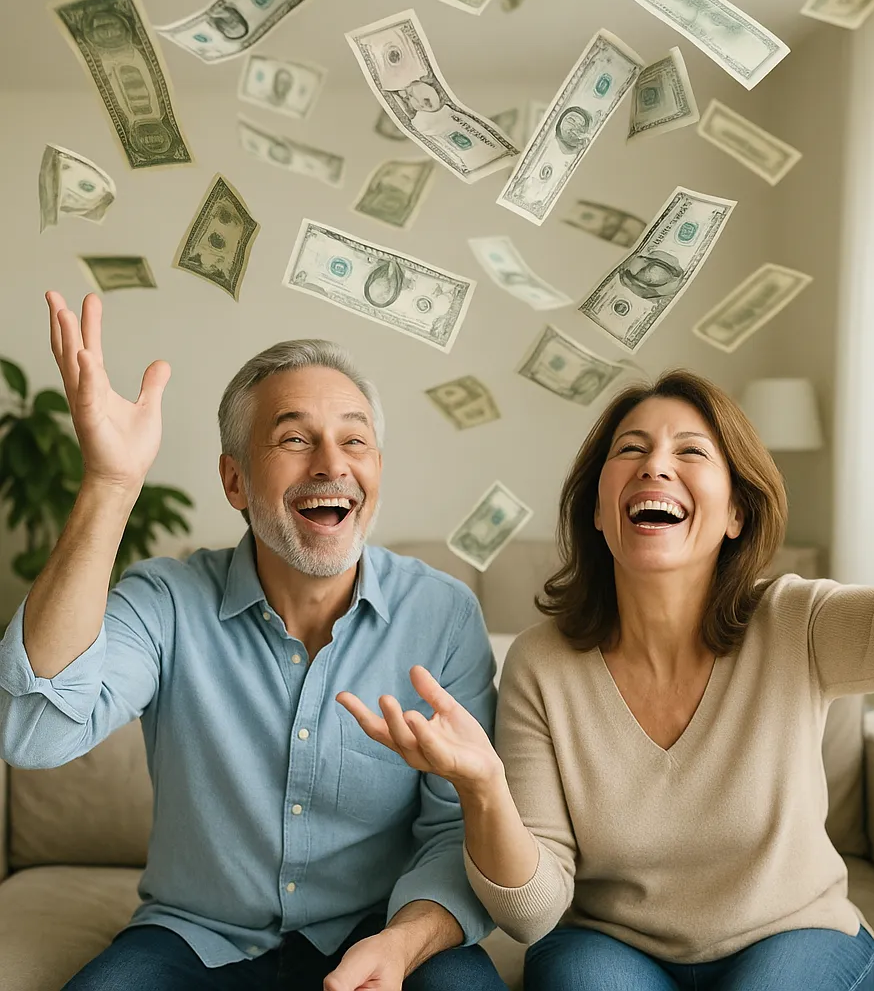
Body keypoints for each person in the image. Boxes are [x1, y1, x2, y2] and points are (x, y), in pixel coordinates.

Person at [338, 243, 874, 991]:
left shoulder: (796, 622)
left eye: (690, 452)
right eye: (631, 450)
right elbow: (534, 911)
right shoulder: (542, 664)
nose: (655, 465)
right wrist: (483, 789)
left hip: (791, 935)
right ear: (600, 509)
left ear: (735, 512)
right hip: (608, 946)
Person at [0, 292, 506, 991]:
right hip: (195, 937)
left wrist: (402, 944)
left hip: (379, 928)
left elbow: (458, 833)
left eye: (354, 439)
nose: (332, 462)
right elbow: (34, 733)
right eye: (295, 439)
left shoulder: (443, 614)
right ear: (235, 480)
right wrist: (110, 484)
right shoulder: (166, 601)